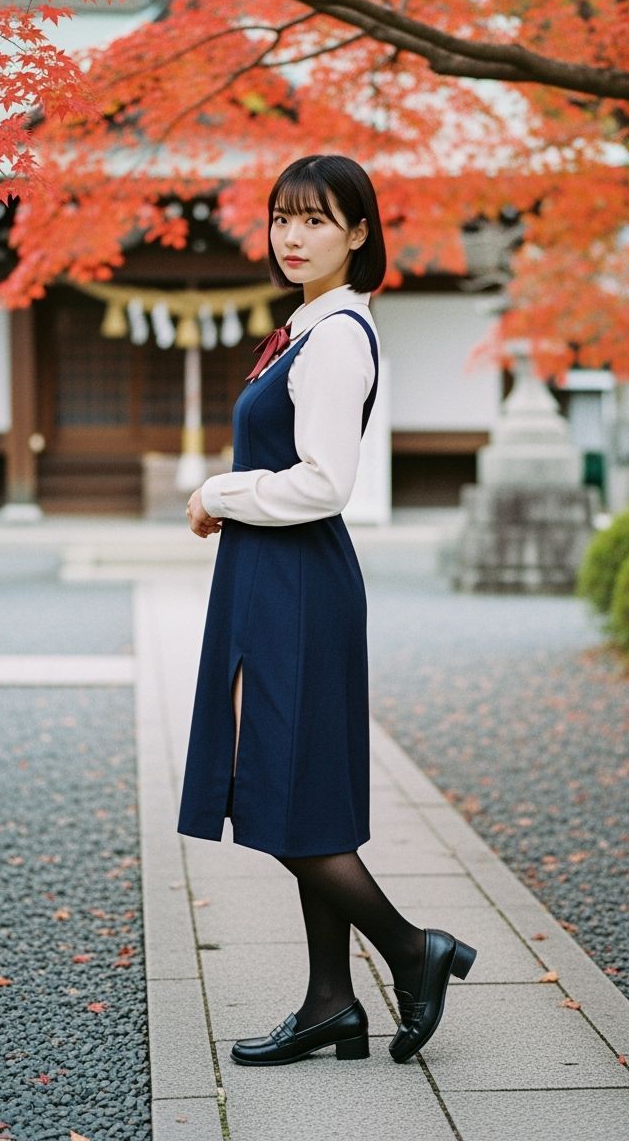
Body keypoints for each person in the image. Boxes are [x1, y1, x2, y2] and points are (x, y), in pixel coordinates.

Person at [179, 154, 476, 1067]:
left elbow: (325, 482)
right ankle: (330, 1002)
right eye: (280, 217)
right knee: (299, 791)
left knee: (282, 789)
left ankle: (410, 950)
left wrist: (221, 491)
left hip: (294, 582)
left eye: (316, 219)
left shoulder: (339, 334)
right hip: (275, 580)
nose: (292, 234)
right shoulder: (307, 326)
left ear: (359, 232)